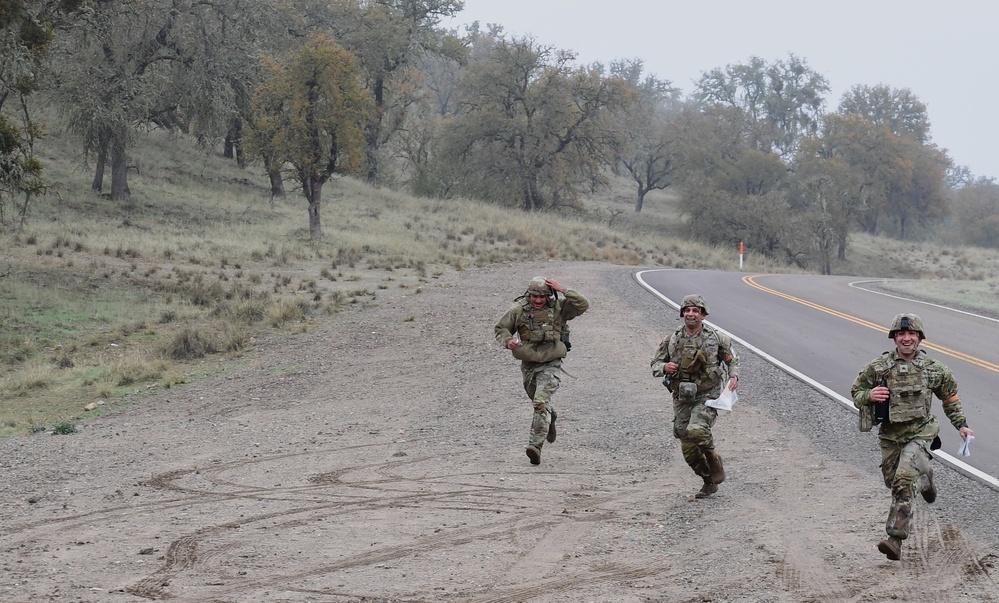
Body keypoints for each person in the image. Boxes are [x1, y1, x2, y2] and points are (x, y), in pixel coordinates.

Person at [851, 313, 974, 561]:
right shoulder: (878, 367)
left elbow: (949, 397)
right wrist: (870, 396)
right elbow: (857, 392)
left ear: (919, 338)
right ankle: (925, 479)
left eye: (912, 334)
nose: (907, 339)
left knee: (904, 480)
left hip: (921, 432)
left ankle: (895, 539)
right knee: (893, 481)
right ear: (894, 338)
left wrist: (961, 424)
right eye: (901, 334)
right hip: (890, 435)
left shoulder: (934, 370)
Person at [651, 294, 740, 498]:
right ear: (682, 314)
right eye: (687, 310)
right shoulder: (671, 339)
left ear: (703, 315)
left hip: (708, 394)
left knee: (697, 429)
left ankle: (712, 456)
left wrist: (734, 376)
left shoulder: (717, 338)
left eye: (695, 310)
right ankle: (708, 482)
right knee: (688, 447)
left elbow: (732, 359)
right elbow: (654, 364)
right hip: (682, 396)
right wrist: (665, 366)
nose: (691, 314)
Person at [494, 276, 589, 465]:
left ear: (548, 296)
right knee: (540, 403)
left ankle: (535, 446)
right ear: (529, 294)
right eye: (534, 296)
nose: (538, 300)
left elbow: (583, 304)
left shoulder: (559, 308)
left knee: (540, 402)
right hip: (529, 363)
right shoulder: (518, 310)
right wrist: (508, 341)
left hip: (551, 361)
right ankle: (550, 416)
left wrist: (563, 289)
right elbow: (501, 328)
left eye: (542, 297)